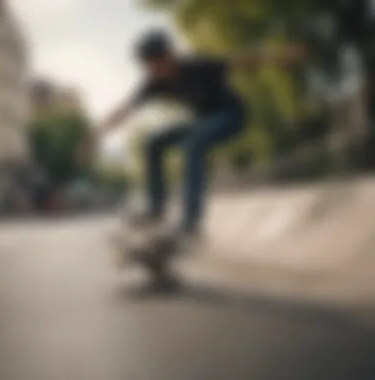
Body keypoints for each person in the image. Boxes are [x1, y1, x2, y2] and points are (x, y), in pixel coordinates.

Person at [88, 29, 306, 243]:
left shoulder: (196, 66)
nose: (155, 70)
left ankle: (191, 222)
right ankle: (156, 208)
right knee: (153, 143)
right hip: (202, 122)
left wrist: (282, 55)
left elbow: (242, 61)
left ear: (169, 55)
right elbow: (125, 109)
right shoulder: (154, 83)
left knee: (193, 145)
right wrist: (97, 133)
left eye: (157, 63)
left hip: (231, 116)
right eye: (149, 66)